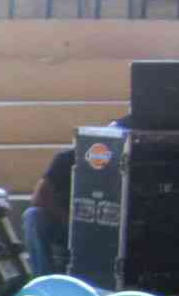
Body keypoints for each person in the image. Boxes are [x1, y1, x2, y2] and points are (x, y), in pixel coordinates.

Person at [24, 113, 130, 276]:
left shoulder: (131, 164)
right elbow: (39, 197)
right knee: (33, 216)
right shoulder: (67, 158)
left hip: (113, 229)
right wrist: (69, 221)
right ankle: (44, 278)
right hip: (69, 225)